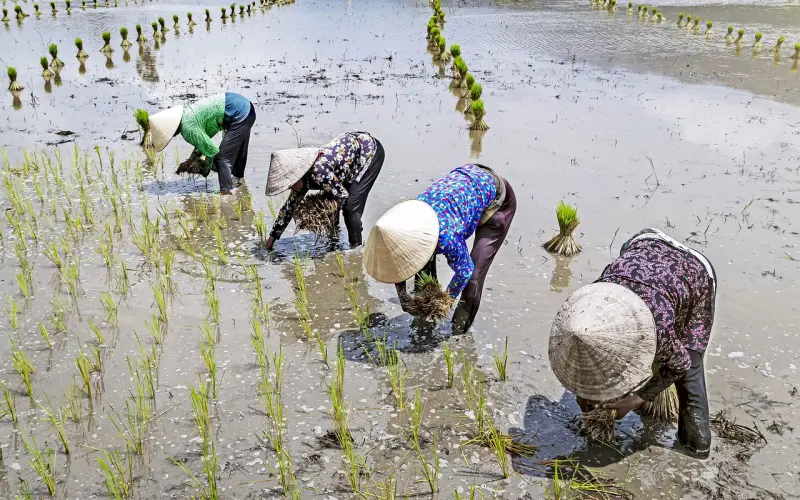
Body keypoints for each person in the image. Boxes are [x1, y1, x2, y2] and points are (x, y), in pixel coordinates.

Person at [548, 228, 716, 459]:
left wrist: (635, 400)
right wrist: (584, 393)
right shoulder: (589, 305)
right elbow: (593, 361)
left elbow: (680, 364)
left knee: (690, 375)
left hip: (693, 272)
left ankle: (695, 451)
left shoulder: (656, 322)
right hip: (641, 245)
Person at [363, 164, 516, 334]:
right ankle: (423, 315)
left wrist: (444, 302)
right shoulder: (404, 223)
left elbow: (464, 271)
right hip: (465, 182)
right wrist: (403, 296)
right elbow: (398, 261)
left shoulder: (445, 236)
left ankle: (458, 333)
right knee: (421, 263)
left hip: (497, 198)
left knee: (473, 277)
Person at [264, 131, 384, 249]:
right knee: (331, 194)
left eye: (291, 184)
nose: (291, 188)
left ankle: (356, 248)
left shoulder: (319, 172)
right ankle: (334, 237)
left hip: (369, 152)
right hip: (346, 161)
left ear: (298, 175)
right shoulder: (301, 180)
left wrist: (320, 213)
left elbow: (342, 195)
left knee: (350, 208)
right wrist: (272, 239)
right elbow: (288, 208)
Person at [148, 92, 256, 195]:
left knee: (222, 159)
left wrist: (205, 168)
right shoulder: (188, 114)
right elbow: (203, 142)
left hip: (239, 114)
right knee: (239, 154)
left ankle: (226, 196)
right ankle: (241, 184)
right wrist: (192, 160)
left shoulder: (187, 128)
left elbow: (212, 151)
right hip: (246, 108)